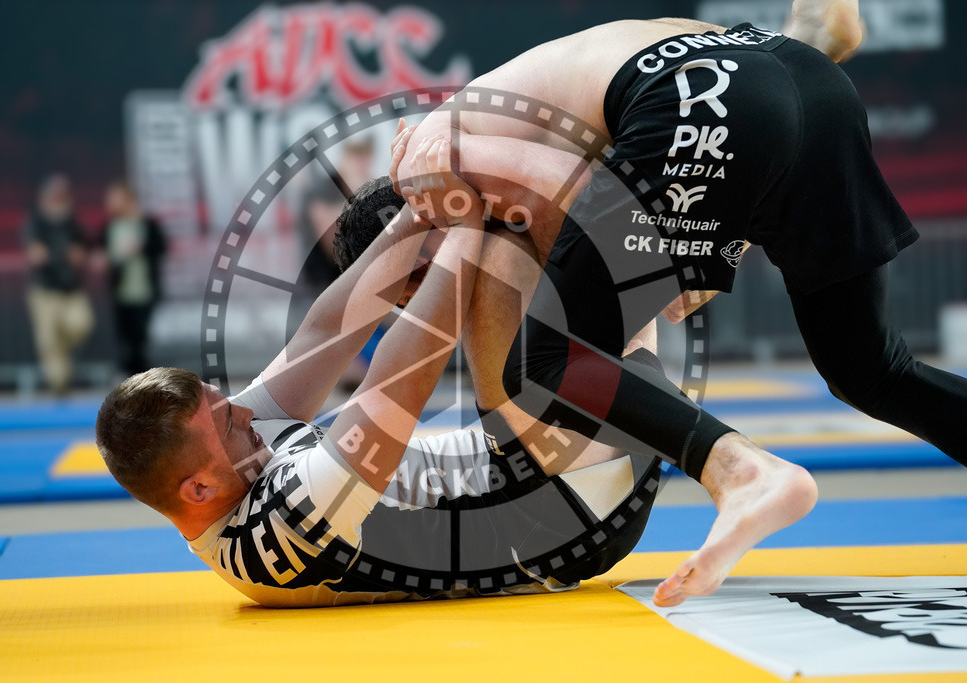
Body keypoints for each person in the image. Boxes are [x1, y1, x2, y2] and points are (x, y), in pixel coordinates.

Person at [340, 0, 967, 607]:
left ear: (417, 230)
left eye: (418, 290)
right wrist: (685, 255)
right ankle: (813, 37)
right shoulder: (495, 114)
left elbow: (585, 189)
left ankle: (741, 473)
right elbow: (661, 137)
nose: (437, 311)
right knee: (871, 372)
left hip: (702, 108)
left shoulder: (435, 162)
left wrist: (669, 261)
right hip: (798, 84)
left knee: (539, 365)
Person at [96, 139, 661, 608]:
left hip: (541, 459)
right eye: (229, 426)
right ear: (199, 489)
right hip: (568, 516)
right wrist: (461, 221)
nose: (246, 412)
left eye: (226, 402)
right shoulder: (278, 531)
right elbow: (402, 380)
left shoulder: (225, 455)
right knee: (499, 244)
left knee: (594, 207)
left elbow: (325, 332)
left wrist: (415, 207)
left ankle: (668, 264)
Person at [23, 173, 94, 396]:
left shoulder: (72, 224)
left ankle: (61, 355)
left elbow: (83, 250)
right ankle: (59, 385)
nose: (60, 201)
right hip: (45, 291)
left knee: (81, 325)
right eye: (55, 196)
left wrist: (80, 255)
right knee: (48, 341)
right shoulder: (36, 224)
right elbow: (36, 253)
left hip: (71, 289)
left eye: (63, 196)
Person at [100, 182, 167, 376]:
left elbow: (161, 246)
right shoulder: (111, 226)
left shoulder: (147, 224)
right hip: (121, 291)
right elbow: (99, 249)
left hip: (144, 291)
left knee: (140, 338)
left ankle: (141, 379)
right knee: (125, 338)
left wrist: (142, 247)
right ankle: (130, 379)